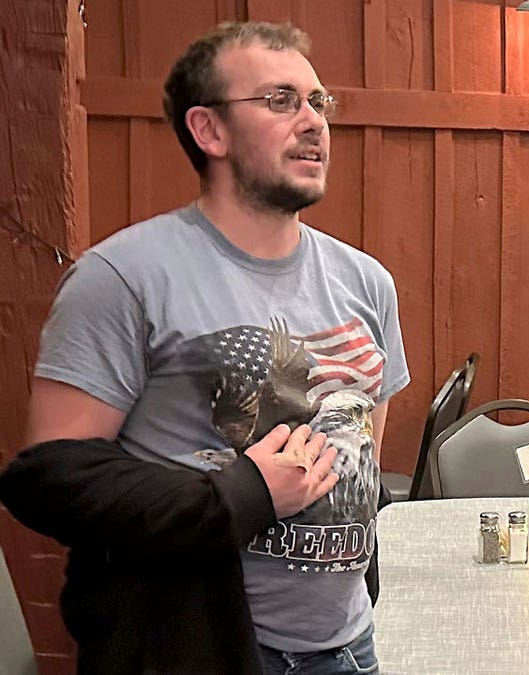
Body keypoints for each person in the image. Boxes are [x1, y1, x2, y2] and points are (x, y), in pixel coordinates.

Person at [0, 21, 408, 674]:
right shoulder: (124, 276)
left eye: (317, 101)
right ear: (209, 130)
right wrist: (242, 493)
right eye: (280, 100)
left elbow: (364, 463)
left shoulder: (367, 283)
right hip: (198, 650)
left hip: (348, 649)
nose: (313, 122)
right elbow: (51, 481)